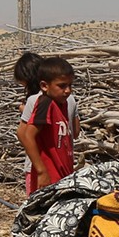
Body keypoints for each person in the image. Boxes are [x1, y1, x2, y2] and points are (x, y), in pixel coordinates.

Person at [15, 53, 77, 196]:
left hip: (63, 174)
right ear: (44, 85)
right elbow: (26, 135)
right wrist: (42, 171)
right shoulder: (45, 103)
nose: (68, 90)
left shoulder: (63, 103)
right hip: (50, 175)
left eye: (70, 85)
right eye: (62, 86)